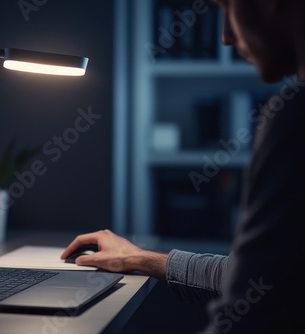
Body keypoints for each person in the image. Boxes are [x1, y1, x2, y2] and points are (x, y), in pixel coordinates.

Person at [61, 0, 305, 332]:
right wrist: (138, 258)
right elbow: (261, 280)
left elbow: (249, 318)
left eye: (228, 8)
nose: (226, 37)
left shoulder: (293, 118)